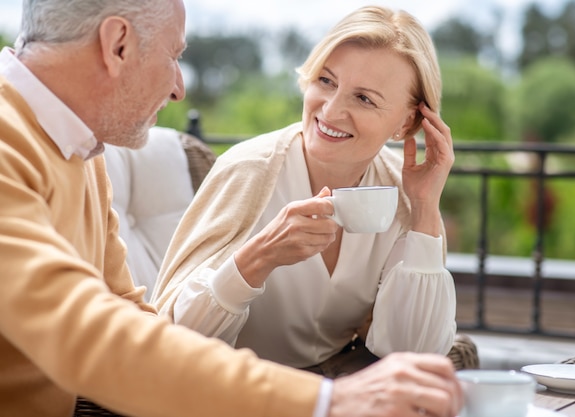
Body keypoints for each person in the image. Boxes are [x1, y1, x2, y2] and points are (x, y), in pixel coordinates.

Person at [0, 1, 462, 417]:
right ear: (118, 44)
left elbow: (133, 318)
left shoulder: (81, 152)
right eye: (174, 56)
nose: (179, 87)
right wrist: (327, 401)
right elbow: (88, 333)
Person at [153, 5, 458, 379]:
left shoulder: (403, 190)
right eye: (326, 81)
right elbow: (172, 341)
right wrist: (258, 258)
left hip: (337, 390)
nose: (330, 110)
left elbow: (414, 354)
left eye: (364, 99)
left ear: (407, 121)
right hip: (239, 391)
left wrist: (425, 207)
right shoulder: (249, 171)